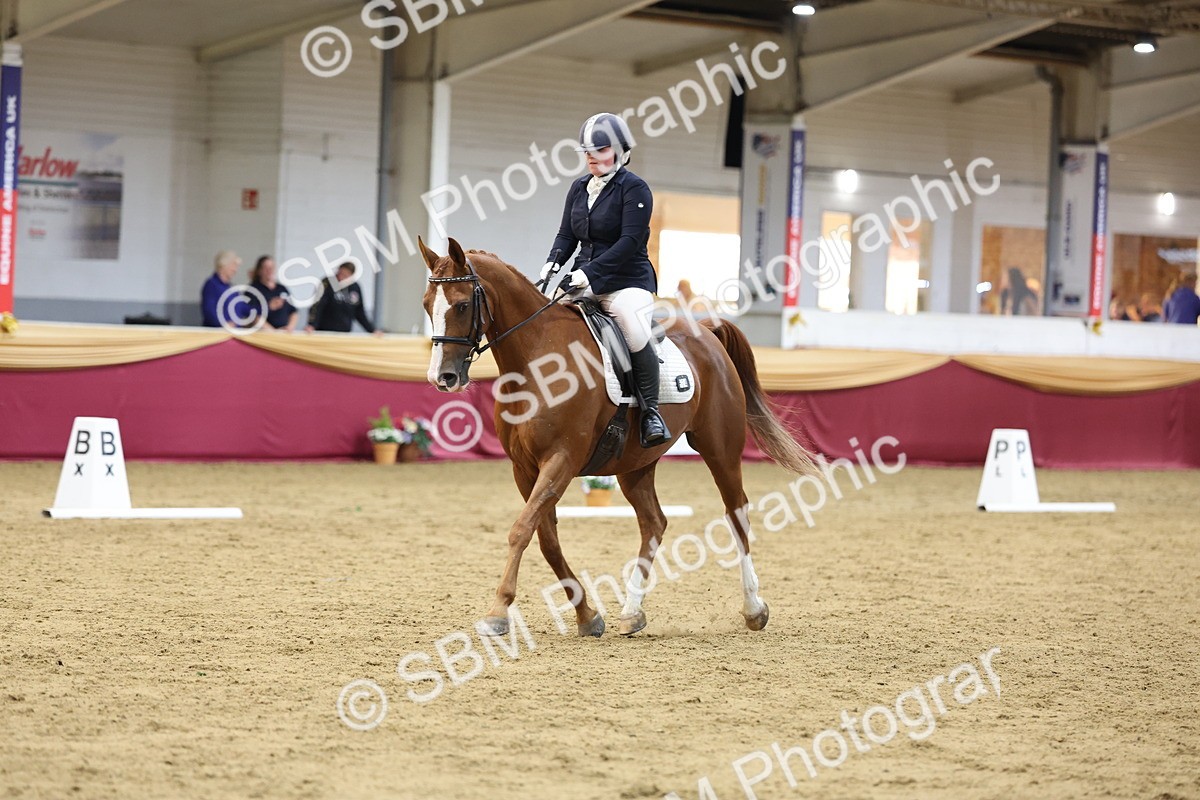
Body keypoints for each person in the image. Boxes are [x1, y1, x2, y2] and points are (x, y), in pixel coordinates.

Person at [540, 112, 669, 448]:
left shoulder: (635, 188)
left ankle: (651, 412)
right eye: (587, 152)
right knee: (547, 322)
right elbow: (566, 234)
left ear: (621, 151)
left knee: (632, 325)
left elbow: (629, 242)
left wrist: (587, 273)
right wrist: (552, 264)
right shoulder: (579, 187)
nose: (592, 157)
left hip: (627, 280)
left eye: (600, 150)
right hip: (584, 279)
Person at [306, 262, 383, 335]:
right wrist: (312, 324)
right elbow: (317, 306)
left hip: (344, 331)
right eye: (340, 273)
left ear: (351, 276)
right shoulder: (327, 282)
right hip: (324, 331)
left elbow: (359, 312)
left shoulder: (354, 287)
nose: (341, 277)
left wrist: (372, 330)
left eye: (345, 275)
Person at [248, 255, 297, 332]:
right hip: (264, 333)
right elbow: (253, 316)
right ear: (259, 270)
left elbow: (293, 311)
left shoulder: (282, 288)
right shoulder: (252, 290)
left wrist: (289, 327)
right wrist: (273, 332)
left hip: (284, 332)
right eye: (266, 268)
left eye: (271, 267)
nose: (269, 270)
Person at [200, 250, 245, 328]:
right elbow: (209, 310)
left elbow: (242, 307)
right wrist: (223, 325)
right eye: (233, 266)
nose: (235, 270)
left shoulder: (232, 289)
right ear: (224, 265)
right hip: (219, 334)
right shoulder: (211, 285)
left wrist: (265, 307)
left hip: (234, 334)